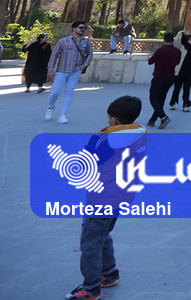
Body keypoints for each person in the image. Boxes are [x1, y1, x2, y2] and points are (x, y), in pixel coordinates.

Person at [64, 95, 147, 300]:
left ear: (113, 120)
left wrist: (95, 138)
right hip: (124, 195)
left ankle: (91, 289)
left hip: (102, 197)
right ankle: (109, 273)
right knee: (102, 233)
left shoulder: (110, 140)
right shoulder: (140, 132)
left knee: (90, 242)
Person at [46, 20, 94, 124]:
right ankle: (50, 107)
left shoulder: (86, 42)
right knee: (55, 92)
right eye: (80, 27)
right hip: (62, 70)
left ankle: (62, 115)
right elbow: (54, 55)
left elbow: (90, 54)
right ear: (73, 29)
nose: (83, 30)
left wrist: (85, 65)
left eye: (84, 28)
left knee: (69, 92)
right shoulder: (63, 41)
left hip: (76, 71)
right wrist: (51, 69)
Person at [146, 32, 180, 129]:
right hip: (170, 77)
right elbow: (177, 62)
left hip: (159, 77)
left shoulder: (160, 50)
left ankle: (163, 117)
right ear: (173, 40)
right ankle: (152, 120)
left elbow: (150, 61)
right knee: (161, 99)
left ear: (164, 40)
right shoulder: (178, 51)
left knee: (153, 98)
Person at [168, 32, 191, 112]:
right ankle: (173, 103)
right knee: (176, 89)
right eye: (190, 40)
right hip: (180, 72)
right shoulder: (182, 47)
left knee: (186, 90)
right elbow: (176, 42)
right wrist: (180, 33)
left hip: (190, 73)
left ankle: (185, 106)